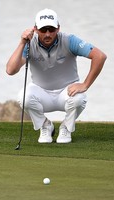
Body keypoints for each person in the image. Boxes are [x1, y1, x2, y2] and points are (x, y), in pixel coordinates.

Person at [6, 8, 106, 144]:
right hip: (41, 93)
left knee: (79, 99)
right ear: (35, 29)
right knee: (24, 97)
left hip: (67, 92)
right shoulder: (29, 44)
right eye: (43, 30)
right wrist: (22, 42)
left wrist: (85, 84)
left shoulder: (70, 40)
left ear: (58, 28)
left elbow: (99, 56)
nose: (47, 34)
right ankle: (45, 126)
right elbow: (11, 70)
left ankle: (66, 127)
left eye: (51, 29)